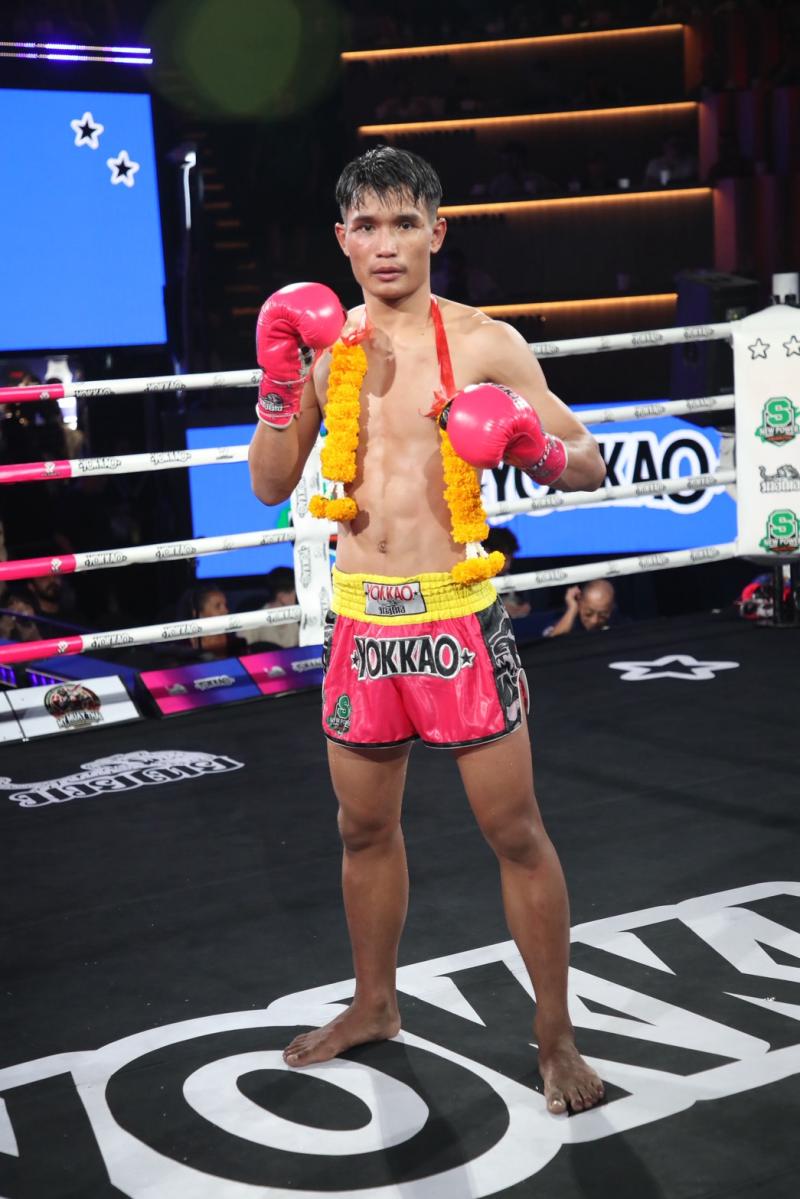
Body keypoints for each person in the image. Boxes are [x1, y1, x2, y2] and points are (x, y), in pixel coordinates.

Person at [248, 146, 607, 1114]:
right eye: (366, 225)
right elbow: (272, 483)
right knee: (362, 828)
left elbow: (587, 460)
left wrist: (527, 444)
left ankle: (556, 1036)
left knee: (514, 831)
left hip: (456, 616)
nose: (385, 244)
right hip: (363, 624)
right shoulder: (320, 346)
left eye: (403, 222)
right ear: (341, 239)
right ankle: (374, 1004)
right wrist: (278, 381)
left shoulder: (486, 341)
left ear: (435, 232)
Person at [543, 579, 618, 637]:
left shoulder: (617, 622)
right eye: (588, 614)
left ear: (612, 607)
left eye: (602, 615)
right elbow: (552, 643)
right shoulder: (564, 620)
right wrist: (572, 608)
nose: (594, 621)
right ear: (579, 602)